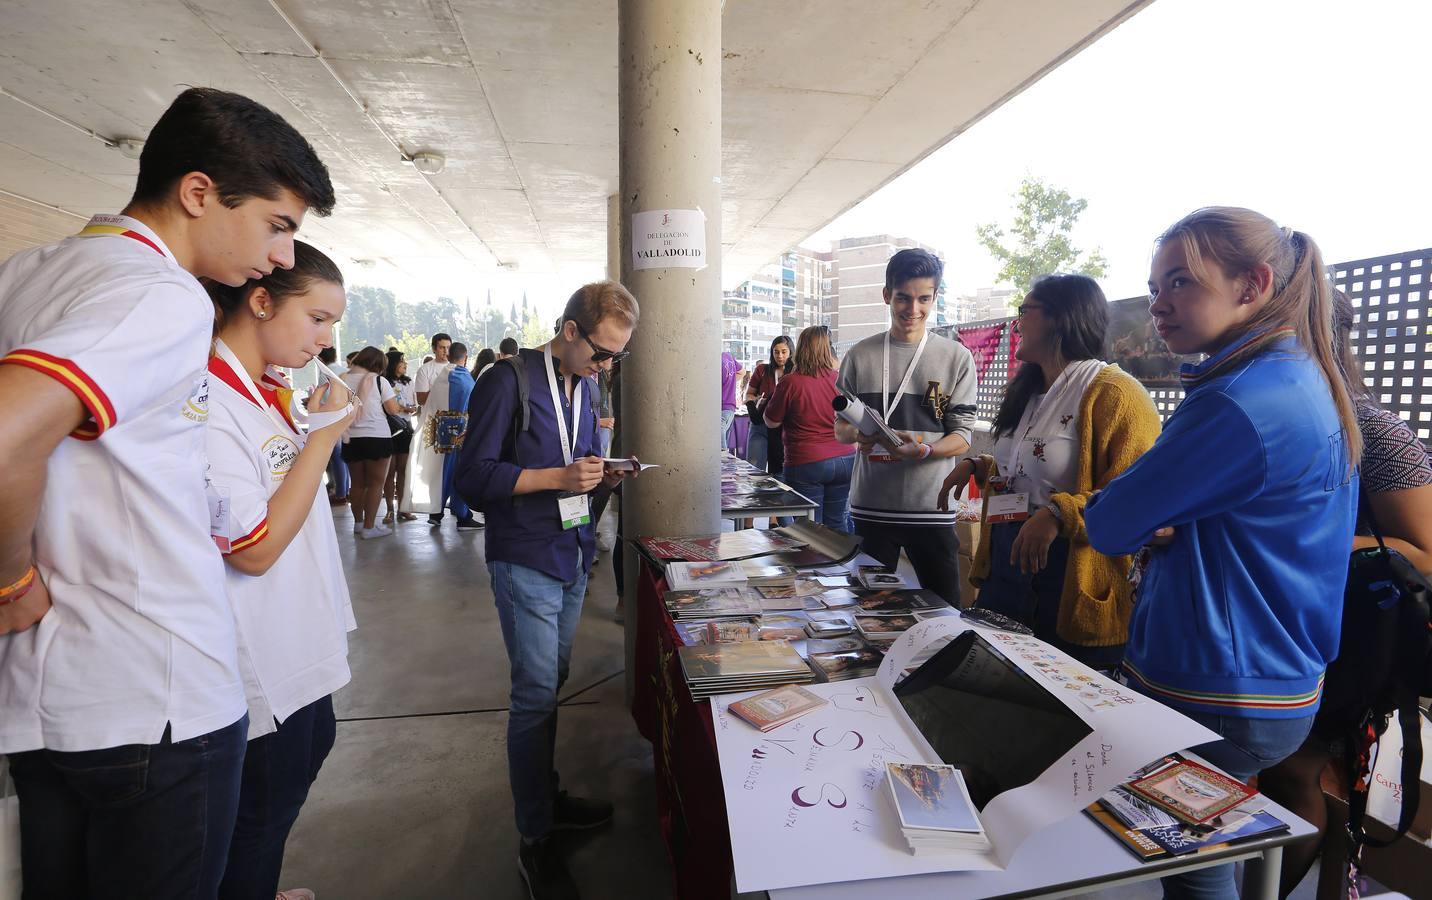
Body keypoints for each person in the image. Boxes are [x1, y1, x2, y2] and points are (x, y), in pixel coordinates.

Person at [0, 85, 333, 899]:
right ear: (196, 193)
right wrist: (9, 578)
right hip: (157, 701)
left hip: (48, 700)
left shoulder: (26, 273)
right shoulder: (161, 294)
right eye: (276, 225)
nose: (283, 256)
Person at [1085, 208, 1361, 900]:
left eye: (1180, 281)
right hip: (1277, 674)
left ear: (1253, 284)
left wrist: (1138, 514)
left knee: (1192, 863)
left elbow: (1112, 523)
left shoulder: (1241, 400)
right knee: (1206, 846)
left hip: (1213, 681)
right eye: (1154, 286)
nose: (1159, 303)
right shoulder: (1304, 378)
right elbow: (1259, 520)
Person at [453, 281, 641, 900]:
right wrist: (557, 476)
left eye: (616, 356)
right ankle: (535, 837)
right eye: (602, 353)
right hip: (525, 557)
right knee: (534, 693)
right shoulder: (504, 381)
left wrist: (602, 472)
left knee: (550, 683)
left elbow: (578, 462)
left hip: (571, 552)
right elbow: (472, 479)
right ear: (569, 331)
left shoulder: (582, 384)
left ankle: (545, 793)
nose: (606, 366)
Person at [1256, 290, 1432, 899]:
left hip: (1345, 637)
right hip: (1261, 626)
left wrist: (1311, 544)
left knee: (1291, 772)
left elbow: (1424, 551)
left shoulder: (1373, 429)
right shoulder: (1259, 418)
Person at [204, 242, 357, 900]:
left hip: (297, 635)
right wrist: (321, 439)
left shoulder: (263, 393)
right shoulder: (206, 402)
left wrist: (312, 428)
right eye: (317, 318)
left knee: (297, 768)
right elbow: (254, 547)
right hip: (259, 653)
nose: (325, 339)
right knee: (260, 811)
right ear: (261, 301)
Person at [938, 274, 1160, 666]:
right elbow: (1029, 469)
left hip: (1067, 574)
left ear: (1061, 318)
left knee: (1063, 704)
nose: (1016, 322)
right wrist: (980, 465)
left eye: (1025, 311)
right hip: (1007, 564)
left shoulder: (1117, 394)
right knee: (995, 678)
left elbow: (1138, 500)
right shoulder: (1026, 391)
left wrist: (1060, 514)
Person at [834, 248, 978, 605]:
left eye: (923, 299)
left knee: (944, 612)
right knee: (868, 612)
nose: (913, 310)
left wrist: (927, 449)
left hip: (932, 508)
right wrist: (858, 433)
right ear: (887, 296)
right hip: (871, 508)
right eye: (903, 298)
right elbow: (840, 428)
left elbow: (962, 437)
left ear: (934, 297)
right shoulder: (860, 356)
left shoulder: (956, 358)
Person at [763, 326, 856, 532]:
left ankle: (815, 564)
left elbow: (771, 422)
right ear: (827, 349)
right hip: (846, 459)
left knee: (810, 529)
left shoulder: (790, 383)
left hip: (806, 462)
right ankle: (838, 563)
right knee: (837, 523)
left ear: (801, 349)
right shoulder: (840, 379)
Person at [341, 346, 404, 539]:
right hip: (377, 436)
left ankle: (359, 524)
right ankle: (370, 527)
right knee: (376, 484)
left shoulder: (342, 379)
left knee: (357, 483)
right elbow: (393, 409)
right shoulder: (378, 380)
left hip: (350, 437)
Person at [407, 332, 454, 522]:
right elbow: (421, 398)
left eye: (448, 347)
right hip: (434, 422)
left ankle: (457, 507)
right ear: (434, 348)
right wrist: (442, 389)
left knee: (454, 466)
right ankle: (436, 511)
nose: (445, 351)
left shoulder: (455, 368)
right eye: (442, 347)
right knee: (435, 467)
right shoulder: (426, 370)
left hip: (455, 422)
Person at [444, 342, 482, 530]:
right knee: (460, 471)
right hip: (461, 432)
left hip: (438, 432)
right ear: (465, 357)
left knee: (441, 472)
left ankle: (437, 510)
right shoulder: (465, 377)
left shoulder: (440, 375)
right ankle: (462, 514)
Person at [746, 335, 794, 476]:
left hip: (783, 429)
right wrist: (756, 399)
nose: (779, 356)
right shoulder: (762, 370)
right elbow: (748, 394)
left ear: (791, 351)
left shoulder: (795, 373)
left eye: (784, 352)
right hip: (760, 424)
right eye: (776, 351)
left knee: (779, 472)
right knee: (754, 470)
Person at [383, 349, 419, 524]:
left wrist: (411, 408)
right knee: (389, 472)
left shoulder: (409, 382)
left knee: (403, 470)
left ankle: (403, 508)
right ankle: (389, 509)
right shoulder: (384, 382)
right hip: (388, 429)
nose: (405, 364)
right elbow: (388, 407)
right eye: (401, 361)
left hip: (405, 429)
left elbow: (414, 403)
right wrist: (402, 408)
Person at [319, 345, 350, 506]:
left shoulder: (325, 372)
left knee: (337, 457)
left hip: (331, 417)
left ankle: (340, 493)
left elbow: (324, 397)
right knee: (343, 456)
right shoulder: (342, 369)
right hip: (346, 416)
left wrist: (313, 403)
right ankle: (345, 489)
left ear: (320, 357)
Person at [719, 349, 743, 452]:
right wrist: (730, 383)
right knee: (723, 440)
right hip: (730, 408)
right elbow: (742, 372)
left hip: (721, 406)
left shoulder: (715, 361)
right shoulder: (728, 356)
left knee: (719, 446)